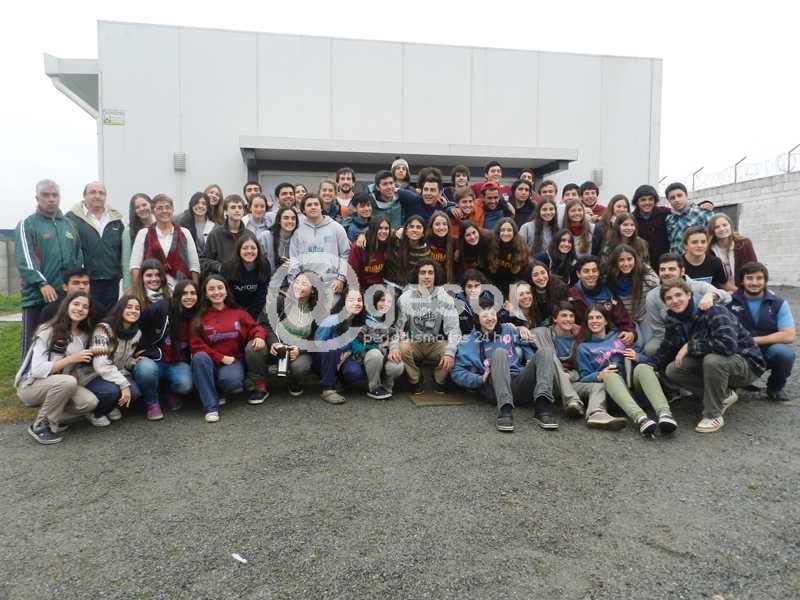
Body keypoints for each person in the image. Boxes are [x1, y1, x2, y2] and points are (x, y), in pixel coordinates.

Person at [653, 279, 765, 433]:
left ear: (689, 295)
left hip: (746, 363)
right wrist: (648, 365)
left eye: (678, 295)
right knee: (673, 369)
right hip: (716, 362)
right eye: (669, 298)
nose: (675, 301)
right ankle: (724, 395)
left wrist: (690, 346)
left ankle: (713, 415)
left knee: (713, 360)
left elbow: (728, 346)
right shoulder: (672, 318)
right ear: (665, 302)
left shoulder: (713, 311)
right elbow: (667, 349)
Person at [451, 296, 558, 432]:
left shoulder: (507, 330)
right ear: (477, 319)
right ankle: (505, 411)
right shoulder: (468, 342)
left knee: (546, 352)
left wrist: (528, 352)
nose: (490, 318)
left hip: (517, 382)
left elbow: (526, 343)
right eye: (485, 315)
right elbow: (456, 372)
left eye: (492, 314)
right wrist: (479, 379)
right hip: (494, 387)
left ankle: (542, 407)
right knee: (499, 353)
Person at [576, 305, 676, 437]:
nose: (594, 321)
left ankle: (665, 414)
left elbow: (650, 361)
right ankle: (641, 419)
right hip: (615, 395)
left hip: (635, 388)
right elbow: (583, 377)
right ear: (587, 322)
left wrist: (638, 357)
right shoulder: (583, 348)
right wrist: (600, 374)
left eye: (598, 317)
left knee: (643, 367)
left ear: (605, 321)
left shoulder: (619, 337)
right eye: (591, 318)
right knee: (610, 376)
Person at [15, 291, 98, 444]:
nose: (80, 309)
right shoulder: (47, 330)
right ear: (66, 306)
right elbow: (37, 370)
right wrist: (71, 359)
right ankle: (40, 426)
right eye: (76, 304)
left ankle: (52, 417)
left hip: (60, 383)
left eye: (85, 307)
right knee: (67, 381)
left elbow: (73, 368)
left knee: (89, 402)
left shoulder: (84, 336)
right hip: (31, 384)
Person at [531, 303, 627, 429]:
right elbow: (524, 336)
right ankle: (572, 401)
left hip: (573, 380)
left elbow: (582, 372)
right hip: (552, 381)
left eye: (571, 316)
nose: (568, 319)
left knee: (598, 386)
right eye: (564, 315)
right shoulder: (543, 332)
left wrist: (573, 375)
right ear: (554, 319)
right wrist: (520, 328)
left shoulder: (580, 338)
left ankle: (596, 413)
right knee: (550, 354)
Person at [16, 179, 83, 358]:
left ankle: (55, 374)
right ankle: (26, 375)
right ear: (37, 198)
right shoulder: (27, 224)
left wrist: (76, 287)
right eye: (46, 195)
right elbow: (25, 260)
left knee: (59, 343)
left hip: (64, 297)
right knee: (32, 344)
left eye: (55, 195)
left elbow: (78, 259)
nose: (51, 199)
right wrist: (42, 284)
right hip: (36, 297)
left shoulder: (70, 225)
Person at [190, 275, 268, 422]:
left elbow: (255, 328)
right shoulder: (199, 317)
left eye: (220, 288)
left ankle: (218, 388)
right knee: (199, 357)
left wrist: (259, 336)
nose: (216, 292)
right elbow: (196, 345)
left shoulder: (238, 313)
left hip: (232, 361)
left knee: (232, 382)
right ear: (205, 294)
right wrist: (220, 358)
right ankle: (211, 408)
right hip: (209, 361)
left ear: (226, 291)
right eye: (211, 289)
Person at [642, 253, 732, 357]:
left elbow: (728, 297)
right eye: (662, 269)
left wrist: (712, 295)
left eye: (671, 269)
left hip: (702, 336)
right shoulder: (652, 296)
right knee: (650, 349)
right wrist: (675, 342)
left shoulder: (699, 287)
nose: (666, 273)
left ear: (682, 271)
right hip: (671, 335)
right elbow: (658, 329)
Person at [392, 260, 461, 394]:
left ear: (435, 275)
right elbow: (396, 327)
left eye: (430, 273)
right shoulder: (406, 298)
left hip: (435, 343)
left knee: (453, 348)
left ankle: (439, 380)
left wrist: (450, 353)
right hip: (414, 343)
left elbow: (453, 330)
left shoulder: (445, 298)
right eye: (423, 273)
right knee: (402, 346)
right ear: (417, 276)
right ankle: (415, 379)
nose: (427, 276)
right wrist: (394, 347)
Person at [729, 262, 795, 402]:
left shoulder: (778, 303)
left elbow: (788, 335)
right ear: (742, 281)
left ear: (765, 280)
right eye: (749, 278)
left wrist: (754, 340)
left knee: (785, 354)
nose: (754, 282)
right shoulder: (729, 301)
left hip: (766, 350)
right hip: (739, 352)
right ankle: (732, 384)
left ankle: (775, 388)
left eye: (759, 278)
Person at [132, 280, 197, 418]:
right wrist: (136, 349)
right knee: (145, 370)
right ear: (177, 295)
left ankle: (170, 392)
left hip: (177, 362)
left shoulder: (196, 315)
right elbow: (137, 324)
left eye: (193, 293)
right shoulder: (161, 308)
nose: (189, 297)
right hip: (154, 359)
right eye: (184, 293)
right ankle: (152, 403)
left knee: (185, 385)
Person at [78, 295, 144, 426]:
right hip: (92, 374)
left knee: (135, 392)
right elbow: (101, 364)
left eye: (137, 308)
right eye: (129, 307)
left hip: (114, 373)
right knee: (112, 390)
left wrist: (133, 362)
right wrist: (123, 384)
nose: (133, 311)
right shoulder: (103, 328)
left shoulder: (137, 333)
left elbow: (122, 359)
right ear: (120, 309)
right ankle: (94, 413)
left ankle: (109, 407)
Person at [255, 272, 317, 397]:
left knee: (300, 367)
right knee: (254, 347)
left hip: (298, 349)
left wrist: (300, 349)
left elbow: (317, 338)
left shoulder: (317, 310)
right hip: (277, 346)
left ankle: (294, 381)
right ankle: (259, 385)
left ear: (313, 290)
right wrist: (274, 343)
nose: (298, 286)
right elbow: (265, 324)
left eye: (304, 284)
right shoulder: (280, 300)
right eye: (297, 282)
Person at [67, 181, 125, 311]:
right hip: (85, 281)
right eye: (92, 192)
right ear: (84, 196)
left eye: (101, 193)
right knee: (86, 316)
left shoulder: (115, 220)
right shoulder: (71, 219)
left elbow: (122, 251)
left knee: (109, 317)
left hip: (111, 281)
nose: (97, 196)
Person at [288, 194, 350, 307]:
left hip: (332, 285)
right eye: (309, 205)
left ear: (321, 207)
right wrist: (295, 283)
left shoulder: (336, 228)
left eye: (316, 204)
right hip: (307, 288)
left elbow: (345, 254)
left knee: (330, 317)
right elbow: (294, 259)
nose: (313, 207)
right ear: (303, 210)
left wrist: (341, 279)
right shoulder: (297, 232)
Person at [130, 194, 200, 288]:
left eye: (168, 207)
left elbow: (194, 266)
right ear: (153, 211)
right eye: (160, 208)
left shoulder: (185, 232)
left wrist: (195, 288)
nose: (164, 211)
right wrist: (138, 291)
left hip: (181, 289)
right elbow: (135, 266)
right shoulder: (143, 234)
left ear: (172, 209)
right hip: (152, 288)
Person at [312, 287, 367, 404]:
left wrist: (348, 353)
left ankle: (340, 381)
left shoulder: (361, 322)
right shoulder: (332, 320)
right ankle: (327, 389)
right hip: (324, 359)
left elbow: (360, 345)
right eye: (351, 300)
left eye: (359, 300)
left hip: (345, 358)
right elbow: (317, 343)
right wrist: (336, 353)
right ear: (343, 302)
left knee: (354, 372)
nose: (356, 303)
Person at [567, 256, 635, 344]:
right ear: (578, 274)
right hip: (583, 339)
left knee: (638, 345)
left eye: (594, 271)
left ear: (598, 272)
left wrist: (630, 332)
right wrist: (572, 327)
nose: (591, 274)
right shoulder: (571, 295)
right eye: (586, 271)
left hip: (609, 338)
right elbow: (564, 318)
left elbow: (623, 317)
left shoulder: (608, 292)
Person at [352, 289, 405, 399]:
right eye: (382, 300)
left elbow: (394, 337)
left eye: (389, 301)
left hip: (384, 355)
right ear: (375, 301)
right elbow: (360, 340)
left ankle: (387, 387)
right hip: (366, 356)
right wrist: (380, 345)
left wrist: (394, 349)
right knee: (375, 354)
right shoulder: (365, 318)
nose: (385, 304)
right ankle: (374, 387)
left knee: (397, 364)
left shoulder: (390, 319)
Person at [604, 245, 660, 349]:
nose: (626, 264)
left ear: (635, 259)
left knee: (647, 344)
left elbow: (660, 291)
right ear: (615, 262)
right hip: (627, 319)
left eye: (629, 259)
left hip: (645, 315)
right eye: (621, 260)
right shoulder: (610, 279)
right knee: (637, 344)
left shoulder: (645, 273)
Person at [200, 195, 256, 276]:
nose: (237, 210)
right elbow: (204, 260)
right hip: (221, 279)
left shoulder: (250, 235)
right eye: (233, 207)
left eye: (240, 207)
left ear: (243, 211)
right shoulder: (215, 234)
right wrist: (219, 267)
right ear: (225, 211)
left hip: (244, 279)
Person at [507, 261, 569, 331]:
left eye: (543, 272)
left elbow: (564, 308)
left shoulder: (559, 286)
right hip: (535, 326)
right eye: (535, 275)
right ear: (529, 277)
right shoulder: (526, 289)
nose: (541, 278)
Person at [37, 266, 105, 326]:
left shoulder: (97, 309)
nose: (82, 287)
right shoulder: (51, 310)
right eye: (76, 283)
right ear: (65, 287)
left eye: (85, 283)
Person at [223, 236, 271, 319]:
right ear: (239, 250)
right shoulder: (228, 267)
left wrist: (250, 315)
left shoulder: (264, 264)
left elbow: (262, 293)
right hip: (233, 307)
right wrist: (238, 313)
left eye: (253, 248)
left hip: (256, 308)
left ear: (258, 250)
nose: (249, 251)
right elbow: (227, 294)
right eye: (245, 248)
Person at [707, 213, 757, 289]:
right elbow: (714, 278)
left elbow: (754, 269)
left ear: (731, 226)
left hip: (744, 289)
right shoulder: (709, 250)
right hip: (720, 291)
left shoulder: (744, 243)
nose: (722, 229)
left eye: (725, 225)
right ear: (712, 231)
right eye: (717, 227)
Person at [383, 215, 432, 291]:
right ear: (405, 231)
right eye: (411, 227)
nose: (414, 230)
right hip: (390, 283)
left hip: (411, 287)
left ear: (423, 233)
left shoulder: (425, 251)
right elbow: (377, 231)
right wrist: (362, 235)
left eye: (418, 227)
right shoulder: (396, 239)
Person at [486, 217, 529, 299]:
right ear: (498, 232)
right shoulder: (491, 245)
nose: (506, 233)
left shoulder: (521, 248)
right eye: (502, 230)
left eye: (509, 230)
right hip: (494, 286)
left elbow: (523, 275)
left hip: (514, 288)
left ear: (514, 232)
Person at [664, 182, 711, 255]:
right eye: (672, 198)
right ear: (669, 201)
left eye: (679, 195)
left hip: (697, 258)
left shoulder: (701, 213)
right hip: (677, 259)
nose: (676, 200)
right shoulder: (669, 219)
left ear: (686, 195)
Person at [347, 217, 391, 292]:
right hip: (362, 287)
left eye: (386, 228)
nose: (383, 231)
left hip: (380, 286)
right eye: (380, 228)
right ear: (373, 229)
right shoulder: (359, 247)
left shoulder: (388, 243)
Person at [631, 184, 669, 268]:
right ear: (637, 202)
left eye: (650, 199)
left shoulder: (665, 213)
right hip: (641, 263)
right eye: (643, 200)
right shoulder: (632, 218)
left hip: (664, 262)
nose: (647, 203)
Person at [122, 193, 153, 290]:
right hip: (139, 282)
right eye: (137, 207)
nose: (142, 209)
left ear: (151, 205)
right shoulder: (128, 232)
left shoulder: (160, 226)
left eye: (144, 205)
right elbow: (126, 262)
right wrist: (128, 288)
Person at [258, 206, 297, 275]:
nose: (290, 221)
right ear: (279, 221)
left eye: (293, 218)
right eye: (286, 218)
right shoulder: (265, 237)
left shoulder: (297, 240)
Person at [454, 269, 488, 335]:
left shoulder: (489, 305)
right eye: (469, 286)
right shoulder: (455, 305)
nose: (473, 290)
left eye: (476, 286)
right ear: (464, 288)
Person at [426, 211, 455, 283]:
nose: (441, 227)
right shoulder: (425, 240)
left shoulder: (454, 243)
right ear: (431, 226)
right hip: (427, 281)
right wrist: (400, 229)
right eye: (437, 224)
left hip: (447, 283)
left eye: (444, 224)